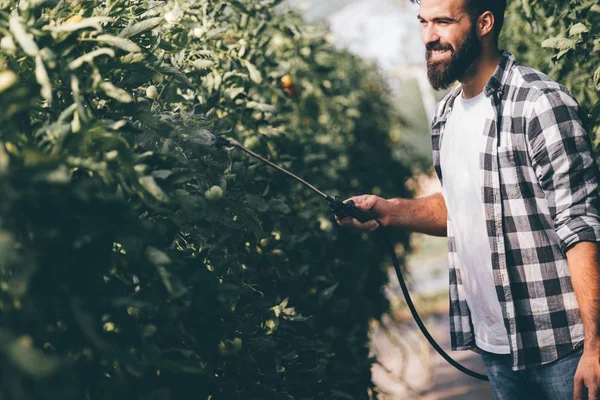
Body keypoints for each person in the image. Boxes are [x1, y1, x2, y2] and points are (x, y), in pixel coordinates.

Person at [335, 0, 600, 398]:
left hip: (563, 346)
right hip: (496, 348)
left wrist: (596, 346)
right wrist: (389, 211)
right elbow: (463, 209)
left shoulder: (539, 103)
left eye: (443, 21)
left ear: (484, 23)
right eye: (423, 22)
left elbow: (580, 227)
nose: (429, 37)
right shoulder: (445, 117)